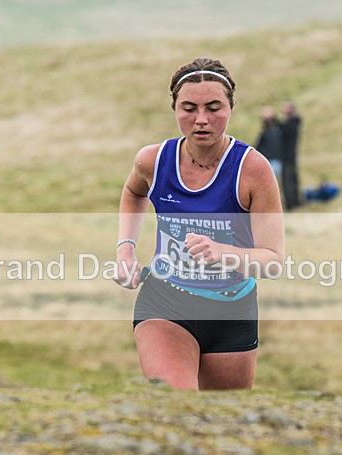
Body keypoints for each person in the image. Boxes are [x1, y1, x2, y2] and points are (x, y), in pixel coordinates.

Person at [115, 58, 285, 391]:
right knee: (178, 406)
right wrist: (125, 249)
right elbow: (133, 193)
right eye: (189, 108)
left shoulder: (252, 170)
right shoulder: (153, 160)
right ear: (175, 109)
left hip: (233, 310)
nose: (201, 120)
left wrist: (224, 253)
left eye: (213, 107)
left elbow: (273, 261)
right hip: (165, 299)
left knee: (224, 424)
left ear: (231, 109)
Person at [280, 101, 302, 210]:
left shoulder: (292, 123)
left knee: (289, 181)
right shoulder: (293, 122)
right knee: (291, 180)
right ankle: (293, 203)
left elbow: (283, 129)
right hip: (288, 156)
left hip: (287, 157)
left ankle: (292, 204)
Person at [255, 106, 284, 181]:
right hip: (275, 161)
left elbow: (258, 147)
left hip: (269, 161)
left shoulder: (266, 133)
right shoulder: (278, 130)